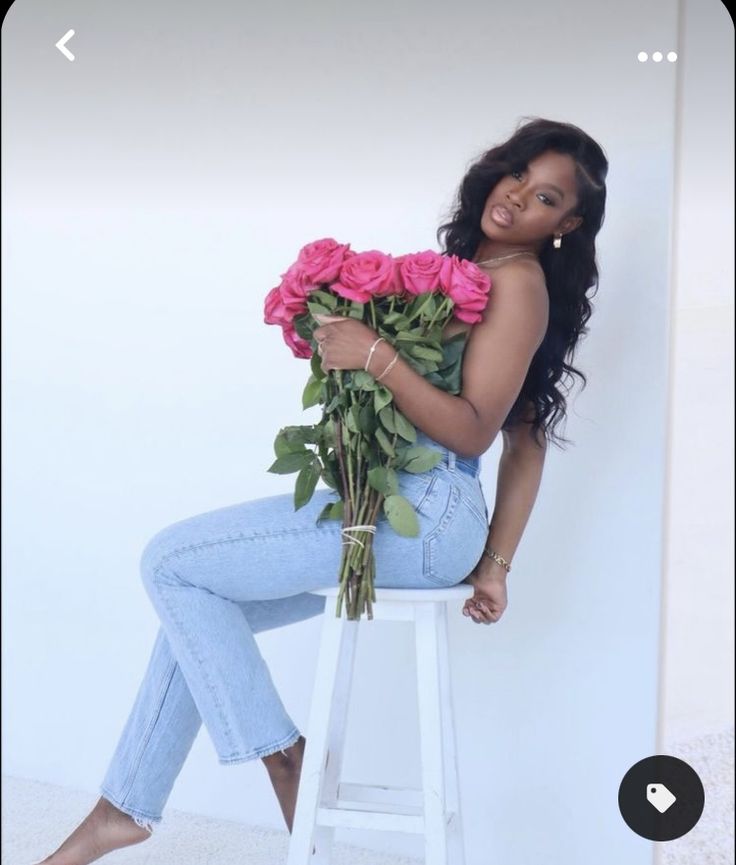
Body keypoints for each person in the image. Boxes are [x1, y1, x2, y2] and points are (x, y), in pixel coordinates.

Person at [34, 116, 608, 864]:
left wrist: (376, 356)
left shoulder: (517, 283)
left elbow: (473, 432)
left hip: (421, 514)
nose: (518, 196)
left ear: (566, 225)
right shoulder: (473, 271)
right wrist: (495, 565)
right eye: (518, 173)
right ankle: (120, 809)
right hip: (402, 510)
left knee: (170, 561)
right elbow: (527, 436)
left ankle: (285, 758)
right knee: (197, 597)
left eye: (545, 197)